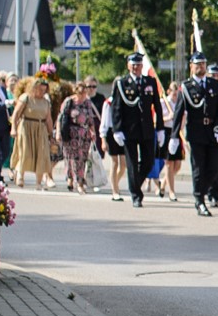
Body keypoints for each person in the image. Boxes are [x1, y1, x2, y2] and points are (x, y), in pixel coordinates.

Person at [179, 53, 218, 215]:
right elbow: (179, 112)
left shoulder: (214, 85)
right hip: (196, 133)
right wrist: (174, 136)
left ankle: (201, 194)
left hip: (212, 133)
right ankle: (199, 199)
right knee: (198, 169)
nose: (200, 67)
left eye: (203, 64)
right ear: (191, 66)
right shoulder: (187, 87)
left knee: (215, 169)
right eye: (197, 64)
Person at [109, 53, 164, 206]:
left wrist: (160, 129)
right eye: (133, 64)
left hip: (146, 129)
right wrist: (117, 129)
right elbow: (116, 108)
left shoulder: (150, 82)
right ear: (128, 66)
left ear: (142, 66)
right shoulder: (122, 83)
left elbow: (157, 106)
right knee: (132, 163)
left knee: (148, 162)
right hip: (129, 131)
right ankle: (136, 196)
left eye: (138, 64)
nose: (136, 67)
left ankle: (134, 184)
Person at [9, 78, 55, 191]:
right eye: (40, 89)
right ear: (34, 88)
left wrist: (51, 134)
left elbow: (48, 119)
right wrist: (13, 128)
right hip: (26, 127)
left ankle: (38, 183)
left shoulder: (46, 102)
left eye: (44, 90)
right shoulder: (26, 98)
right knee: (25, 151)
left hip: (41, 129)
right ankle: (20, 175)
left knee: (41, 154)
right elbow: (16, 114)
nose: (42, 92)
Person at [57, 79, 103, 192]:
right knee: (72, 159)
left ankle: (77, 181)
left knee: (82, 159)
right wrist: (58, 133)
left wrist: (93, 133)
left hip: (84, 135)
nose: (82, 96)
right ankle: (74, 181)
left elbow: (91, 119)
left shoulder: (87, 102)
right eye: (80, 93)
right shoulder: (69, 102)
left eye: (84, 93)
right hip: (71, 135)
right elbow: (61, 118)